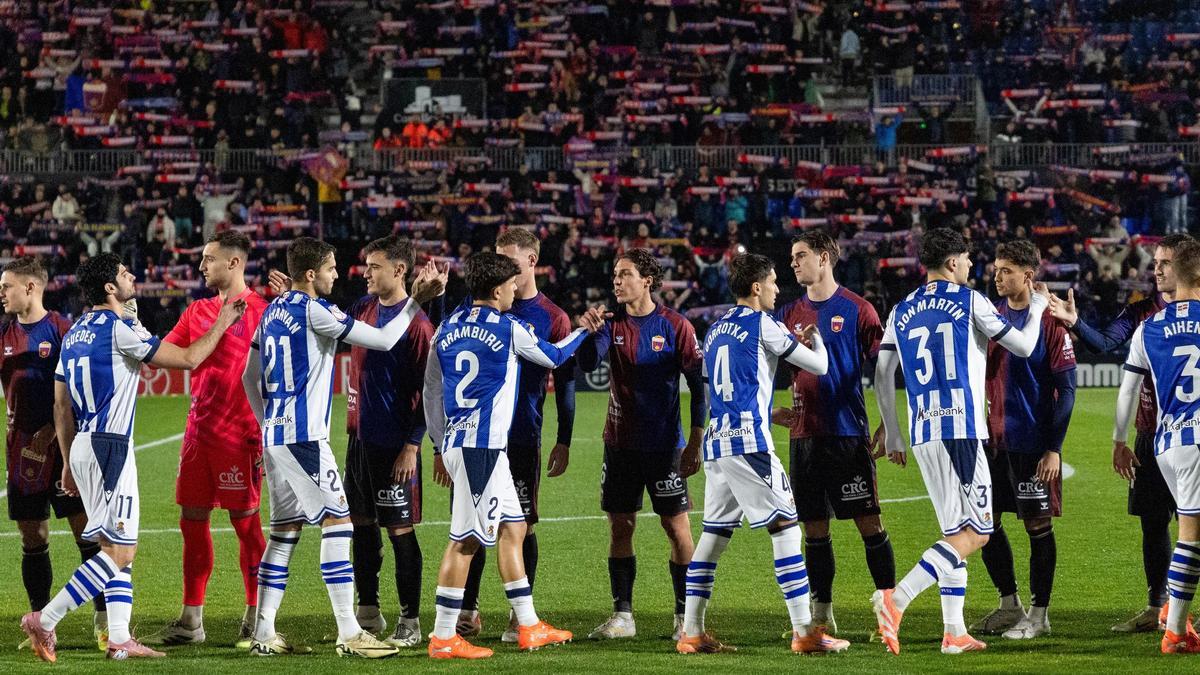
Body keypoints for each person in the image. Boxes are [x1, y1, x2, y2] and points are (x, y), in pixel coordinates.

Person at [20, 253, 247, 663]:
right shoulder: (117, 329)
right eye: (125, 273)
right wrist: (225, 322)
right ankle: (46, 619)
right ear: (110, 288)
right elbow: (189, 359)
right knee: (120, 553)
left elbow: (60, 407)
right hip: (111, 448)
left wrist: (69, 462)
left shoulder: (73, 334)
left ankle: (120, 638)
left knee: (113, 546)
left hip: (85, 447)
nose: (133, 276)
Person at [240, 237, 442, 658]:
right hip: (305, 438)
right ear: (311, 274)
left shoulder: (273, 309)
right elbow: (385, 339)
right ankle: (350, 632)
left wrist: (268, 425)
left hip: (277, 436)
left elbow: (248, 377)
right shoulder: (317, 310)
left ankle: (264, 631)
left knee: (284, 533)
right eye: (332, 269)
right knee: (339, 524)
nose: (339, 275)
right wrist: (417, 301)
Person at [873, 228, 1050, 655]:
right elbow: (1024, 346)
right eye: (968, 259)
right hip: (961, 431)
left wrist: (892, 429)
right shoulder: (969, 301)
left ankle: (954, 632)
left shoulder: (902, 308)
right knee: (980, 532)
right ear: (952, 263)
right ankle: (896, 600)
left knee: (954, 531)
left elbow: (881, 372)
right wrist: (1041, 305)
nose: (973, 267)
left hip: (922, 433)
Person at [421, 251, 602, 659]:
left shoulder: (446, 327)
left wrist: (440, 441)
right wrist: (582, 330)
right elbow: (554, 357)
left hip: (467, 444)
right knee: (465, 542)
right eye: (511, 285)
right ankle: (443, 636)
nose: (515, 290)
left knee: (514, 527)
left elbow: (431, 391)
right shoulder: (508, 328)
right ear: (499, 288)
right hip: (481, 448)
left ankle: (528, 625)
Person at [676, 253, 848, 655]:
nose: (776, 289)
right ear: (756, 287)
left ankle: (691, 632)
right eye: (772, 282)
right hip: (749, 444)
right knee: (787, 527)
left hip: (718, 443)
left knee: (713, 537)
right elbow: (819, 366)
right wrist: (815, 338)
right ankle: (805, 631)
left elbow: (717, 389)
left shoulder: (715, 329)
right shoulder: (763, 325)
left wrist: (766, 409)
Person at [1049, 233, 1197, 632]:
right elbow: (1104, 343)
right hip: (1152, 435)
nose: (1156, 270)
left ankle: (1176, 616)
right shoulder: (1140, 313)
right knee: (1154, 521)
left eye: (1164, 263)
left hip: (1176, 434)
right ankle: (1158, 607)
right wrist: (1075, 322)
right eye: (1156, 263)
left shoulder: (1158, 320)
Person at [457, 228, 579, 642]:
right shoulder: (478, 308)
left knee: (521, 525)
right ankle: (467, 612)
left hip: (524, 436)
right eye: (497, 259)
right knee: (476, 526)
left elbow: (563, 383)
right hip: (479, 438)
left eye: (508, 260)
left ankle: (519, 618)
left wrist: (564, 438)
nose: (501, 268)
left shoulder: (552, 316)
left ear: (532, 262)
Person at [577, 248, 706, 641]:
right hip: (619, 444)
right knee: (621, 526)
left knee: (677, 528)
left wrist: (696, 438)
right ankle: (623, 616)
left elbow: (699, 386)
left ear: (646, 280)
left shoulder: (675, 326)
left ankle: (686, 618)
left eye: (625, 274)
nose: (617, 281)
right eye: (615, 274)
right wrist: (589, 332)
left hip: (665, 445)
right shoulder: (611, 324)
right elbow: (586, 364)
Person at [772, 231, 894, 633]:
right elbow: (759, 369)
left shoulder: (859, 310)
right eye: (792, 257)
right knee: (814, 529)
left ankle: (890, 606)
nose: (793, 263)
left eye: (801, 255)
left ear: (824, 259)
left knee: (869, 524)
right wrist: (768, 411)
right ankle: (822, 611)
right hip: (804, 436)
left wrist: (887, 421)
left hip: (847, 435)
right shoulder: (788, 313)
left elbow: (885, 368)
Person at [158, 231, 270, 648]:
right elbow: (165, 352)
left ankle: (257, 611)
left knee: (247, 527)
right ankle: (192, 620)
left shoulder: (265, 310)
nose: (202, 266)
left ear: (234, 263)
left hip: (240, 437)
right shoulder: (198, 310)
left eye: (209, 259)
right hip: (197, 436)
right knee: (192, 524)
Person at [1, 257, 107, 651]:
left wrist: (51, 432)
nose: (1, 293)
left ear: (30, 287)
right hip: (21, 456)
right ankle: (42, 622)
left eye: (7, 285)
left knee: (87, 535)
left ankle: (103, 617)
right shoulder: (3, 334)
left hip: (65, 451)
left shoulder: (64, 330)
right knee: (33, 538)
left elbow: (79, 394)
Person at [972, 240, 1076, 640]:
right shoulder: (990, 317)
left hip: (1032, 443)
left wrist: (1053, 447)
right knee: (985, 522)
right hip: (992, 442)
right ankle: (1008, 604)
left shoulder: (1050, 323)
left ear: (1028, 276)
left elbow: (1067, 390)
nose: (997, 276)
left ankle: (1039, 613)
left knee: (1037, 526)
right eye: (996, 269)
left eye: (1006, 270)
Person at [343, 236, 434, 648]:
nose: (366, 273)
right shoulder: (362, 309)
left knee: (399, 531)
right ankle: (368, 608)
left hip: (394, 445)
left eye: (375, 266)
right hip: (358, 440)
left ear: (399, 271)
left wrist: (412, 446)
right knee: (361, 525)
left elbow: (430, 391)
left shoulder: (417, 325)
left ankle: (411, 619)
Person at [1113, 238, 1200, 654]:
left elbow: (1127, 392)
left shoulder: (1149, 327)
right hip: (1199, 440)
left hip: (1166, 443)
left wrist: (1118, 439)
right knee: (1189, 537)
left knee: (1187, 532)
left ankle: (1172, 614)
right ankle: (1175, 630)